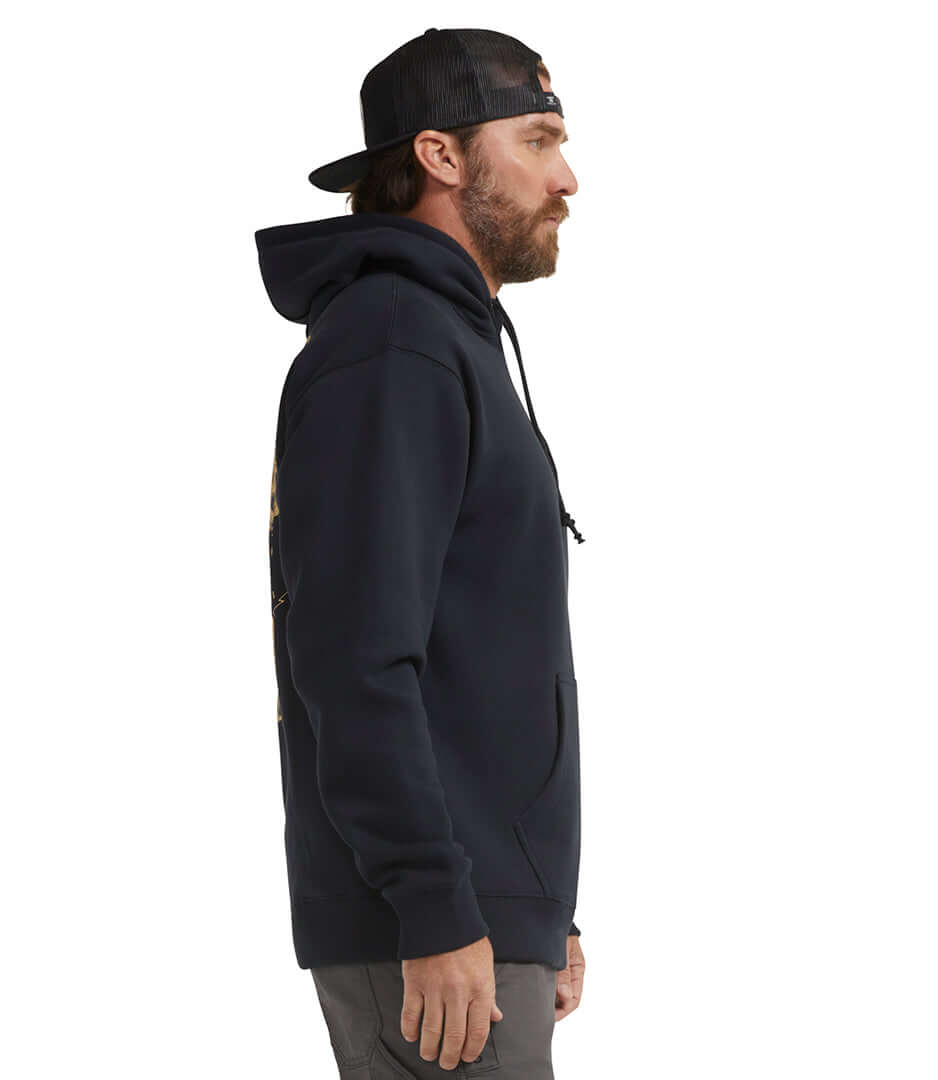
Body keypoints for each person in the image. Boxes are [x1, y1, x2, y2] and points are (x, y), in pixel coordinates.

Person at [256, 27, 586, 1078]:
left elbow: (479, 651)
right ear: (441, 154)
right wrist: (437, 904)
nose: (567, 179)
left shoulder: (440, 341)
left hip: (481, 913)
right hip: (431, 927)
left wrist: (541, 908)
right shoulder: (391, 342)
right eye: (538, 140)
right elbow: (354, 657)